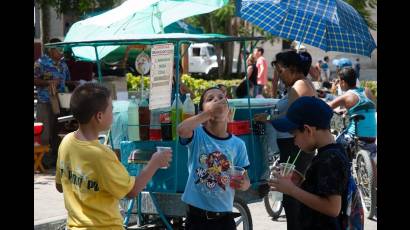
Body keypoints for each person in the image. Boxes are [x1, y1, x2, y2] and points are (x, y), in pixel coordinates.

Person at [55, 83, 172, 229]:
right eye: (111, 108)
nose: (114, 111)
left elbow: (60, 186)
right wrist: (155, 162)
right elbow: (132, 191)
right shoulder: (102, 155)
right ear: (99, 116)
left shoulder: (66, 142)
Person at [255, 49, 317, 230]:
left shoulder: (299, 87)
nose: (279, 77)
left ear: (293, 68)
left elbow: (291, 121)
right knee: (292, 196)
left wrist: (267, 119)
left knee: (292, 197)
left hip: (295, 147)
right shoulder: (299, 85)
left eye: (281, 71)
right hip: (291, 146)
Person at [269, 96, 349, 230]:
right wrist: (300, 182)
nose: (294, 142)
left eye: (294, 136)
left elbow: (333, 207)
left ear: (308, 130)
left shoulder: (330, 159)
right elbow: (324, 188)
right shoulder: (331, 152)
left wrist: (292, 190)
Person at [177, 87, 251, 230]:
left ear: (229, 113)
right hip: (196, 218)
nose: (217, 100)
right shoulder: (198, 134)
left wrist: (244, 184)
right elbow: (181, 130)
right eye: (210, 99)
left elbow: (246, 178)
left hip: (224, 218)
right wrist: (209, 113)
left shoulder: (238, 144)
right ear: (202, 112)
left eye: (220, 98)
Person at [34, 38, 78, 168]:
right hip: (45, 101)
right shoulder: (41, 63)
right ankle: (43, 161)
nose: (62, 52)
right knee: (45, 133)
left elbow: (67, 81)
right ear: (52, 50)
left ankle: (55, 161)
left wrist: (76, 83)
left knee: (56, 132)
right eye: (59, 49)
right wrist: (48, 83)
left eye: (62, 50)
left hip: (60, 103)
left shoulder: (63, 65)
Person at [327, 67, 377, 152]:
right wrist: (348, 110)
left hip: (356, 137)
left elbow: (327, 106)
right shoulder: (367, 91)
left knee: (333, 147)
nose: (338, 83)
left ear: (343, 82)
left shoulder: (347, 96)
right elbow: (365, 108)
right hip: (372, 136)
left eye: (339, 81)